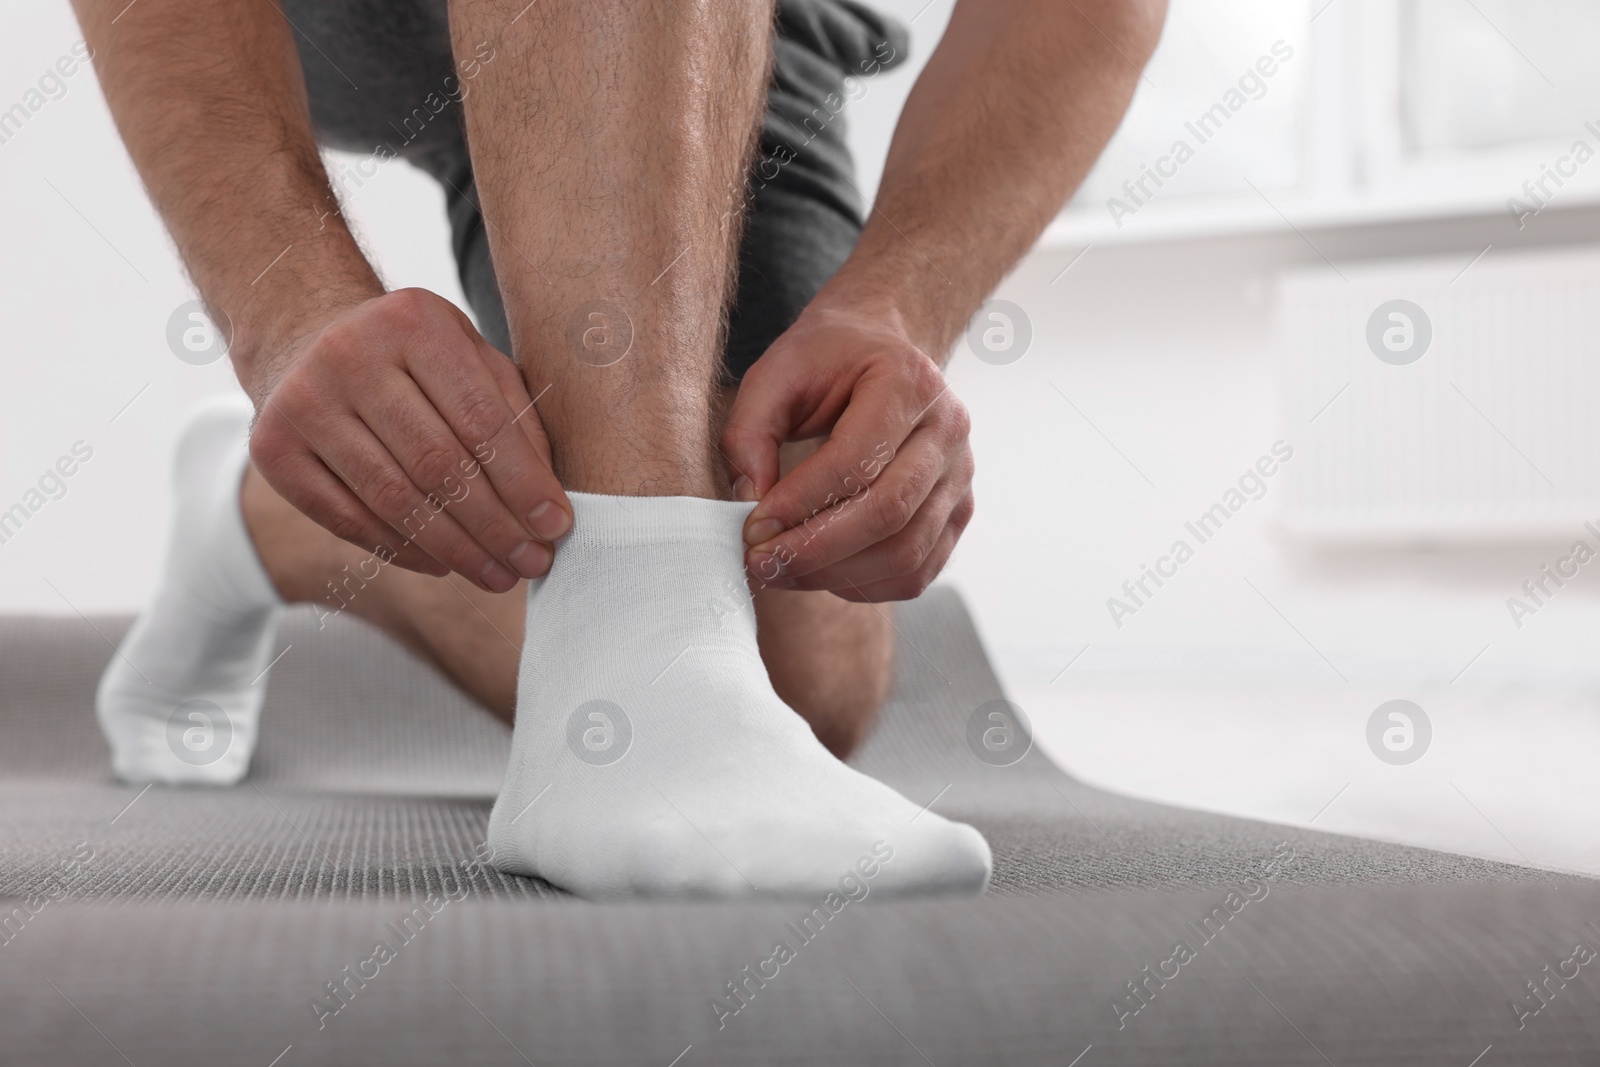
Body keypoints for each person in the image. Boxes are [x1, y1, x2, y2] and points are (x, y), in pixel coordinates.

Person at [74, 0, 1164, 898]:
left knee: (798, 665)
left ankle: (254, 515)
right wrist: (285, 301)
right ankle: (634, 680)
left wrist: (898, 310)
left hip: (734, 34)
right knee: (659, 629)